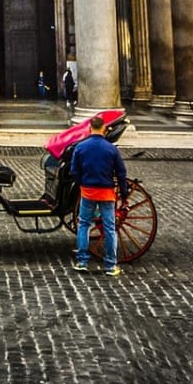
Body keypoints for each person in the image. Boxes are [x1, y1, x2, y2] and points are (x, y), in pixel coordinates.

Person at [70, 114, 129, 277]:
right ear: (104, 129)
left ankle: (82, 261)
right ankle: (111, 265)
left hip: (88, 191)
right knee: (110, 228)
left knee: (83, 225)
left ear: (90, 128)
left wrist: (82, 183)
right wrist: (124, 194)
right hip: (106, 193)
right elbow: (121, 173)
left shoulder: (81, 147)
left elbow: (74, 171)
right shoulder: (111, 149)